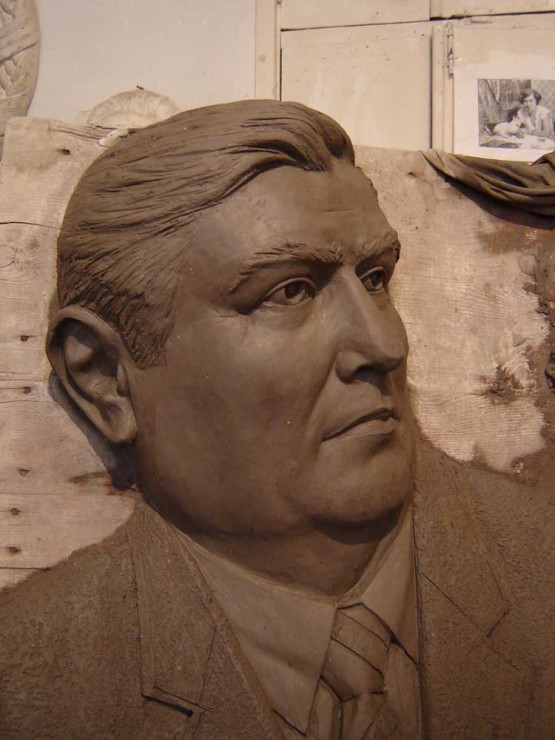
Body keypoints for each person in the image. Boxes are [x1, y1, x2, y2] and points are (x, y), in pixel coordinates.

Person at [0, 100, 552, 739]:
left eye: (375, 278)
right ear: (103, 379)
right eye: (290, 291)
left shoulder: (538, 568)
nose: (385, 345)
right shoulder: (32, 681)